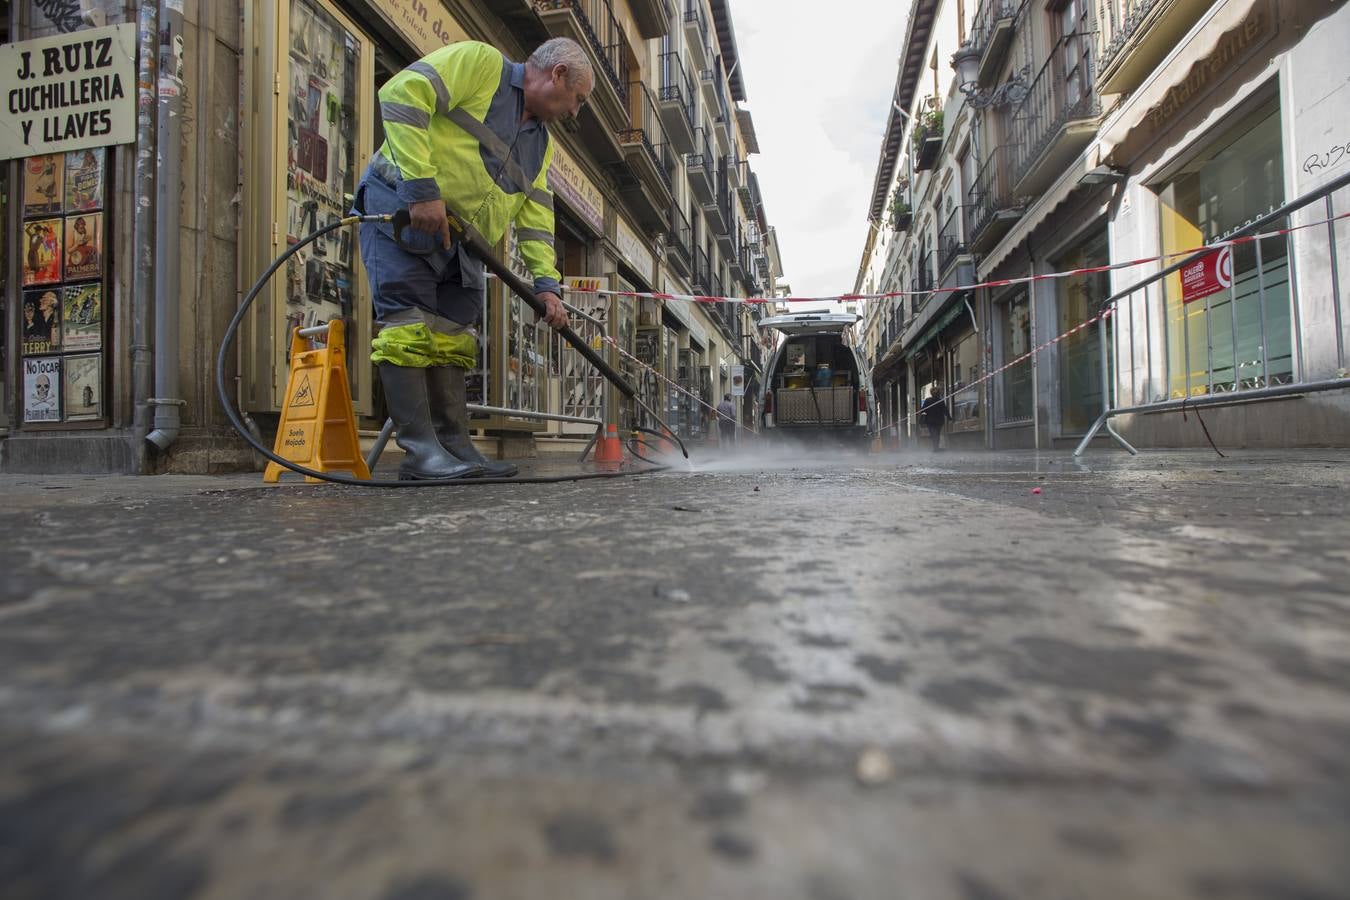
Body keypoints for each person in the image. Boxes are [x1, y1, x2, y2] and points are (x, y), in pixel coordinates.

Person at [354, 37, 592, 480]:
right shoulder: (481, 65)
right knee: (407, 328)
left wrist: (547, 285)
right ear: (557, 73)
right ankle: (421, 453)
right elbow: (403, 93)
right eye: (577, 99)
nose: (575, 111)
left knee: (453, 339)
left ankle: (455, 446)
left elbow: (536, 219)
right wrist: (421, 189)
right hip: (404, 211)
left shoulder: (541, 145)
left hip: (462, 244)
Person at [919, 385, 950, 452]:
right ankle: (936, 447)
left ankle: (935, 447)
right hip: (939, 421)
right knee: (937, 434)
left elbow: (923, 410)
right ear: (938, 393)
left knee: (933, 434)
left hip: (930, 421)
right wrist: (949, 417)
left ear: (931, 393)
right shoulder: (940, 401)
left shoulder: (928, 400)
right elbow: (945, 410)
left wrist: (921, 413)